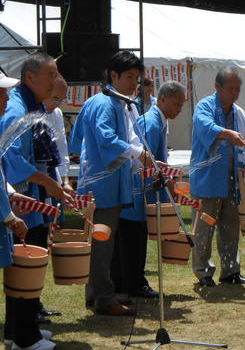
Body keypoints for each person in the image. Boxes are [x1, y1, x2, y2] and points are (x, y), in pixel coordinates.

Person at [69, 51, 158, 316]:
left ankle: (97, 294)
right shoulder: (106, 103)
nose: (135, 83)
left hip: (103, 180)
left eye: (137, 78)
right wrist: (136, 154)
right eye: (130, 77)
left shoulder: (111, 102)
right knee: (102, 244)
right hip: (102, 185)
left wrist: (136, 157)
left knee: (100, 242)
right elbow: (106, 138)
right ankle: (104, 298)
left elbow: (78, 142)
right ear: (114, 76)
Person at [0, 53, 73, 324]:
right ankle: (22, 327)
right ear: (30, 77)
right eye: (51, 76)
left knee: (36, 250)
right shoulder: (17, 111)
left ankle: (30, 316)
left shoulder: (35, 107)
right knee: (26, 259)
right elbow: (12, 159)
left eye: (56, 75)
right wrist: (48, 183)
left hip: (36, 195)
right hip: (22, 198)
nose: (55, 82)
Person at [111, 80, 186, 298]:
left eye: (182, 104)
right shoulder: (152, 123)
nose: (180, 109)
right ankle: (133, 283)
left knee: (134, 239)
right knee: (132, 239)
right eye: (177, 104)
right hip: (138, 190)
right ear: (162, 99)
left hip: (142, 190)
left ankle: (128, 282)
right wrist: (169, 181)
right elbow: (147, 160)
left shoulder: (158, 121)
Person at [0, 72, 54, 350]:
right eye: (0, 93)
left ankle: (16, 332)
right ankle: (22, 337)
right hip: (12, 213)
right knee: (20, 273)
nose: (6, 99)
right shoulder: (16, 114)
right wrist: (9, 214)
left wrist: (10, 194)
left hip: (15, 203)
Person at [190, 67, 245, 287]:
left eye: (238, 88)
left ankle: (231, 270)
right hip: (207, 178)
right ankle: (203, 272)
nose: (234, 93)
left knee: (230, 226)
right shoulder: (204, 106)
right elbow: (205, 127)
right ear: (217, 87)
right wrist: (228, 133)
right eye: (230, 88)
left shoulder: (239, 113)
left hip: (232, 179)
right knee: (204, 228)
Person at [43, 74, 74, 197]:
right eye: (55, 98)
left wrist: (65, 181)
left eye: (61, 100)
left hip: (53, 176)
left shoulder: (56, 113)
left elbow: (61, 149)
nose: (57, 104)